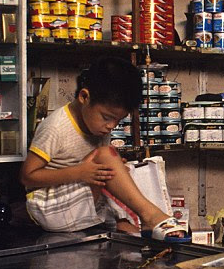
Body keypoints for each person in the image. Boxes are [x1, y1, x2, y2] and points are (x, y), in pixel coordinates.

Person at [20, 57, 187, 239]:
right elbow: (27, 177)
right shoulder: (55, 127)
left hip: (81, 203)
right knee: (107, 157)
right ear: (84, 97)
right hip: (50, 208)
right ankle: (151, 216)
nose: (111, 126)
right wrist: (80, 172)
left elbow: (102, 171)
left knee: (126, 168)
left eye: (118, 120)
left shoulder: (98, 125)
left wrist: (114, 167)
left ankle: (133, 220)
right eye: (107, 117)